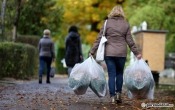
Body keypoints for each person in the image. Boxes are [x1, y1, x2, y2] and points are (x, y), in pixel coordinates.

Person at [90, 5, 142, 103]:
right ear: (122, 13)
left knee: (111, 75)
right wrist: (137, 53)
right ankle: (118, 93)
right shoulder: (125, 24)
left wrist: (92, 51)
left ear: (112, 12)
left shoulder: (107, 23)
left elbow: (99, 38)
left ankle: (112, 96)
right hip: (121, 53)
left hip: (109, 53)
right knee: (119, 74)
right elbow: (130, 41)